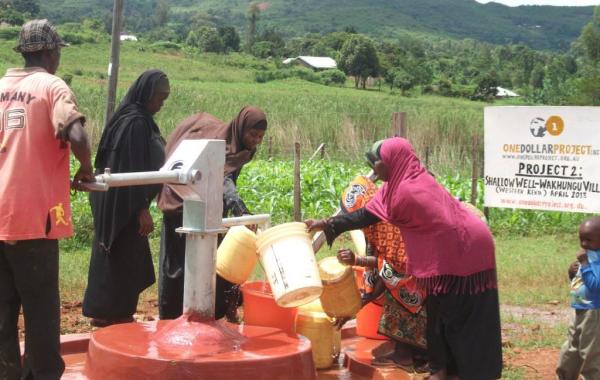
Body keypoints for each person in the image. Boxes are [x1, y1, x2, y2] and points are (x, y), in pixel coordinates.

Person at [306, 137, 502, 380]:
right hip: (450, 250)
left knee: (460, 314)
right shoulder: (402, 182)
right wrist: (327, 223)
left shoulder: (405, 193)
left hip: (466, 249)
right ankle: (441, 369)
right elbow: (366, 214)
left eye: (378, 162)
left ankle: (472, 372)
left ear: (392, 162)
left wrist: (359, 298)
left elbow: (369, 217)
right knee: (438, 313)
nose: (375, 168)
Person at [0, 19, 93, 380]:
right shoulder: (52, 86)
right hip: (33, 220)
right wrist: (85, 169)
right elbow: (78, 134)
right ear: (51, 53)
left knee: (4, 315)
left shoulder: (2, 86)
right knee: (41, 314)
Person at [157, 106, 267, 320]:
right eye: (253, 135)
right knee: (178, 265)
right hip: (183, 199)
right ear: (241, 128)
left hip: (210, 203)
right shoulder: (222, 146)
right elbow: (221, 177)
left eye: (261, 136)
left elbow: (226, 178)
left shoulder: (241, 145)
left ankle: (211, 313)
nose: (256, 141)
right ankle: (171, 318)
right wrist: (238, 208)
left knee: (213, 260)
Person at [82, 70, 170, 327]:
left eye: (165, 99)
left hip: (122, 203)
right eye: (159, 98)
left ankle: (115, 316)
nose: (161, 104)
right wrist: (141, 208)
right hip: (124, 207)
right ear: (146, 94)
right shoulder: (134, 123)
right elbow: (129, 169)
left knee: (123, 262)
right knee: (121, 260)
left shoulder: (134, 119)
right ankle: (112, 320)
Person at [337, 176, 428, 372]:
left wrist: (359, 304)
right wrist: (355, 260)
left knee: (399, 295)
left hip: (420, 276)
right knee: (396, 290)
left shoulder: (388, 222)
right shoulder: (379, 219)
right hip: (415, 272)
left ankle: (405, 355)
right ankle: (415, 353)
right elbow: (381, 263)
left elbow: (391, 269)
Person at [556, 216, 600, 380]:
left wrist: (585, 264)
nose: (584, 244)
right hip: (579, 309)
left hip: (594, 313)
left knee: (590, 353)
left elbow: (595, 286)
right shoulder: (588, 256)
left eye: (589, 240)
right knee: (571, 349)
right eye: (581, 239)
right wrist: (572, 273)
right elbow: (581, 281)